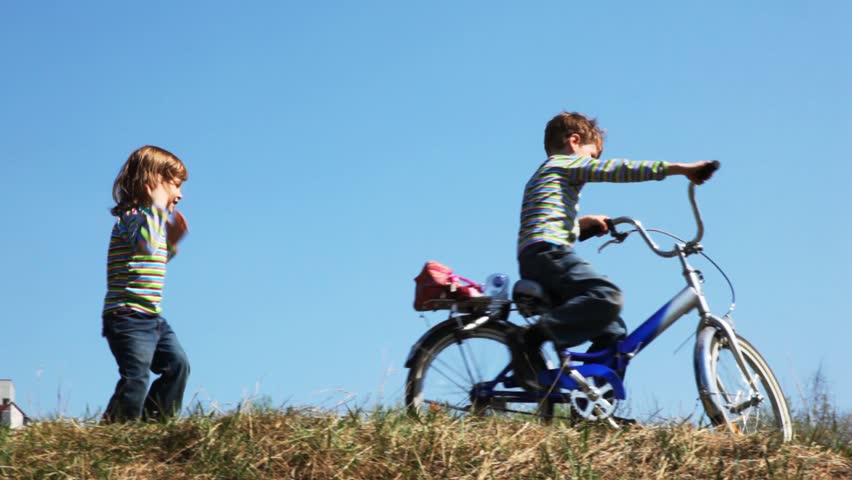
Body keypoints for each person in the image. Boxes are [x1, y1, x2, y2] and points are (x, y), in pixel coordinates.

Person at [510, 111, 716, 390]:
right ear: (574, 141)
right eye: (592, 156)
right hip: (549, 254)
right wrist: (678, 169)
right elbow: (617, 170)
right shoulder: (564, 163)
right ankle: (531, 337)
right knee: (607, 296)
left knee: (614, 333)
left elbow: (547, 220)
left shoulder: (546, 175)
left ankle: (593, 405)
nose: (594, 163)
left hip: (539, 255)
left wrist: (583, 225)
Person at [101, 145, 191, 422]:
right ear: (151, 183)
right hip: (126, 316)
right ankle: (118, 431)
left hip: (151, 317)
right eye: (174, 185)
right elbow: (144, 248)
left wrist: (172, 244)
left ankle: (155, 423)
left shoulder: (150, 221)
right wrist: (157, 208)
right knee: (136, 377)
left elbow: (152, 261)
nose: (180, 193)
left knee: (178, 365)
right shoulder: (132, 218)